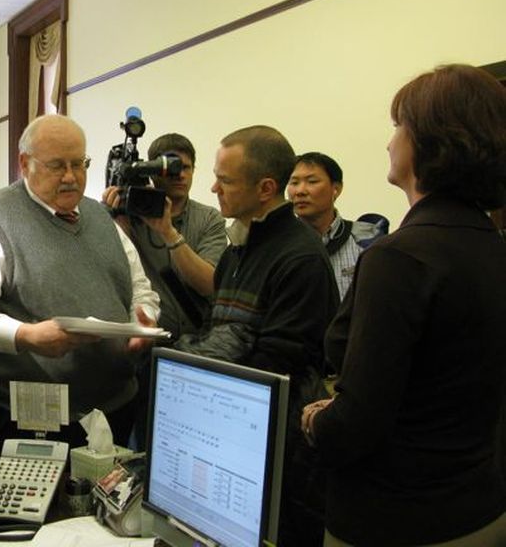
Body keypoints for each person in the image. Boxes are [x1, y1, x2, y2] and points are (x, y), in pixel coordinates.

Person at [301, 64, 506, 546]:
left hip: (397, 519)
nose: (390, 141)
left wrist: (316, 420)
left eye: (398, 126)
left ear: (428, 141)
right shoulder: (492, 244)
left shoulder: (398, 259)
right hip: (480, 507)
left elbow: (358, 422)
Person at [0, 114, 160, 450]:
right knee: (23, 502)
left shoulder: (103, 218)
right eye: (57, 165)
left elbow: (139, 287)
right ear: (24, 163)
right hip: (23, 417)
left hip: (113, 407)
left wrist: (141, 321)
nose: (71, 177)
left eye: (79, 163)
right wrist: (25, 336)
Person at [174, 125, 339, 547]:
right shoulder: (236, 251)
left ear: (266, 188)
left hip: (278, 449)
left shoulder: (299, 257)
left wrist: (187, 354)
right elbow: (221, 333)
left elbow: (273, 365)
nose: (213, 188)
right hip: (229, 432)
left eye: (225, 181)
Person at [101, 133, 226, 449]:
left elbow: (209, 283)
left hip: (197, 350)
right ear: (153, 171)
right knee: (144, 441)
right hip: (145, 354)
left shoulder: (208, 218)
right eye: (172, 168)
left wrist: (168, 231)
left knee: (193, 442)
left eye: (186, 167)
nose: (180, 175)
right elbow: (117, 270)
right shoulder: (132, 212)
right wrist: (113, 218)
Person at [287, 152, 387, 300]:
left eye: (312, 181)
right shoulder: (278, 244)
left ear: (336, 189)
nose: (300, 191)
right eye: (294, 183)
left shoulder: (367, 240)